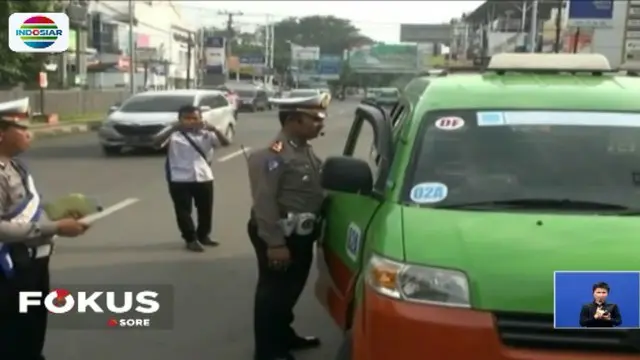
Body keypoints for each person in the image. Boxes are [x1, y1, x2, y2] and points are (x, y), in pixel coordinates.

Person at [0, 115, 91, 360]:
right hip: (10, 268)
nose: (29, 134)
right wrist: (55, 228)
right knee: (12, 333)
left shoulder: (15, 166)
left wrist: (59, 217)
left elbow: (25, 212)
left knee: (32, 327)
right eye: (21, 129)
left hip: (33, 263)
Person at [246, 94, 328, 360]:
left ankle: (284, 336)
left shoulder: (302, 148)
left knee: (290, 292)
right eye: (314, 119)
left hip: (299, 234)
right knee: (273, 295)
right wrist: (275, 243)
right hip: (281, 235)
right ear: (293, 119)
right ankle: (269, 352)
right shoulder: (275, 154)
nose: (320, 124)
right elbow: (264, 201)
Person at [153, 104, 231, 252]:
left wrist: (215, 129)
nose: (191, 121)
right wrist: (173, 128)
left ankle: (203, 236)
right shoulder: (173, 134)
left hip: (204, 176)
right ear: (180, 119)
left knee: (205, 209)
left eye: (194, 118)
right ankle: (190, 238)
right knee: (183, 210)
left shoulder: (207, 133)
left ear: (201, 118)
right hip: (179, 178)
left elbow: (225, 143)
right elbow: (155, 143)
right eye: (186, 118)